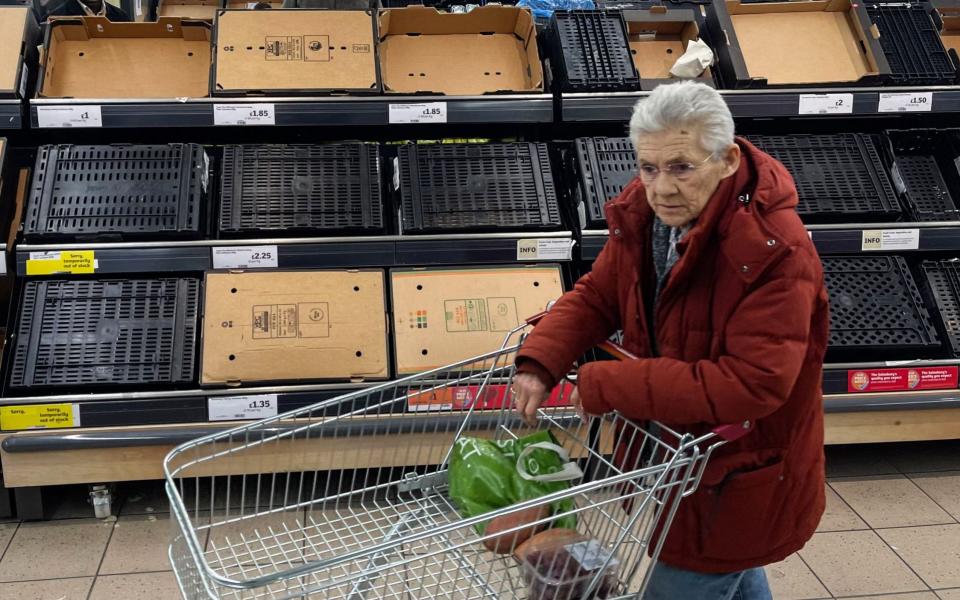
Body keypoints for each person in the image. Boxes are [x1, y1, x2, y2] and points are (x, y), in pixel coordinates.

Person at [512, 80, 829, 599]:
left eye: (682, 167)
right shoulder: (650, 212)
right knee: (730, 565)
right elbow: (600, 294)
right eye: (649, 167)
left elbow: (753, 383)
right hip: (687, 460)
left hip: (738, 465)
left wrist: (610, 384)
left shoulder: (775, 251)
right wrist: (541, 359)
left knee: (699, 568)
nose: (661, 187)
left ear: (726, 160)